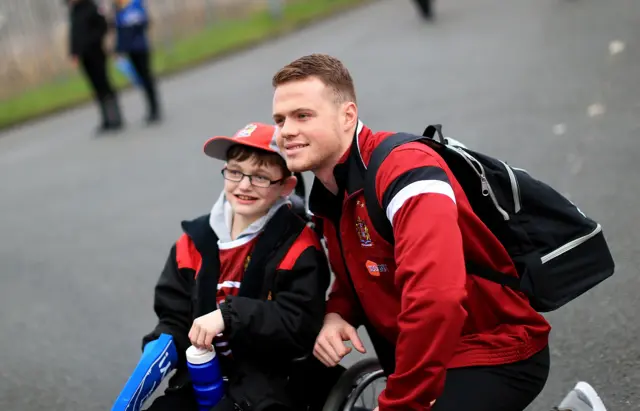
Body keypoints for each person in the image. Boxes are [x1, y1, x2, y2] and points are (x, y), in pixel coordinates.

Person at [269, 53, 606, 411]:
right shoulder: (330, 194)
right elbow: (363, 267)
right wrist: (338, 312)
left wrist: (402, 402)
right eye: (279, 119)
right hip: (430, 354)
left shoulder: (405, 170)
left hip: (492, 350)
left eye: (303, 115)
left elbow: (436, 298)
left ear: (347, 115)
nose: (286, 130)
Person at [140, 122, 334, 411]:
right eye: (235, 172)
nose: (244, 185)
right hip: (204, 373)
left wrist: (229, 316)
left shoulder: (299, 247)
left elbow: (298, 323)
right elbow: (175, 313)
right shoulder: (194, 242)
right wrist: (161, 346)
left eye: (260, 177)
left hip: (270, 380)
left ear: (286, 186)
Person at [66, 0, 123, 133]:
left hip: (96, 52)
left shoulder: (92, 8)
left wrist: (92, 42)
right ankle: (106, 119)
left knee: (104, 84)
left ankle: (116, 117)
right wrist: (74, 53)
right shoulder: (74, 12)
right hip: (84, 56)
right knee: (96, 87)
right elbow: (74, 35)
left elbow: (103, 27)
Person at [112, 0, 161, 124]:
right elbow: (119, 31)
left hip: (140, 47)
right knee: (139, 78)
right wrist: (118, 49)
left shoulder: (135, 4)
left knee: (147, 76)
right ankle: (150, 108)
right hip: (129, 49)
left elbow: (143, 22)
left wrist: (132, 25)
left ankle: (155, 108)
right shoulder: (118, 8)